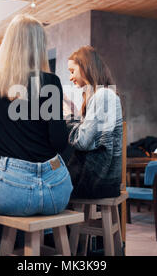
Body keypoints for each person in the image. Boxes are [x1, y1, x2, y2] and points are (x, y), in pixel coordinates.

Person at [0, 14, 73, 252]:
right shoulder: (50, 81)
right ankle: (41, 241)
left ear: (8, 43)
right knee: (39, 207)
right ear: (39, 45)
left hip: (12, 191)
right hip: (56, 193)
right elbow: (59, 142)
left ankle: (5, 249)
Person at [64, 45, 123, 199]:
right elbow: (92, 138)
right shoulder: (103, 94)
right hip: (106, 181)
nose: (70, 77)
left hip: (98, 182)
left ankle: (66, 222)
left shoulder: (102, 95)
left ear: (85, 67)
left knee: (52, 183)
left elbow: (82, 142)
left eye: (72, 71)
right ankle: (70, 223)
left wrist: (68, 116)